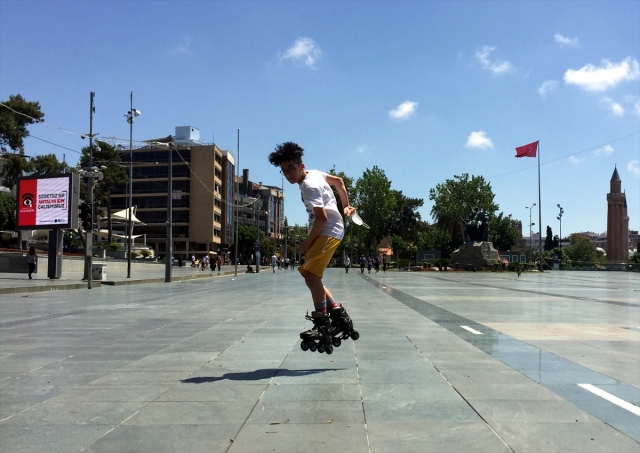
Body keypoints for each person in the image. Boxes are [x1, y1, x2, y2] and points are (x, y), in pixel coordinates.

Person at [268, 142, 358, 351]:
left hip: (328, 230)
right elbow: (339, 181)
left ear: (301, 166)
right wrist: (345, 205)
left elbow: (321, 217)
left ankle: (323, 323)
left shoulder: (309, 186)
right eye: (285, 170)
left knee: (312, 277)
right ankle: (337, 314)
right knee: (309, 275)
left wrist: (307, 242)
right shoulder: (314, 174)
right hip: (327, 230)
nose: (289, 174)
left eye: (292, 168)